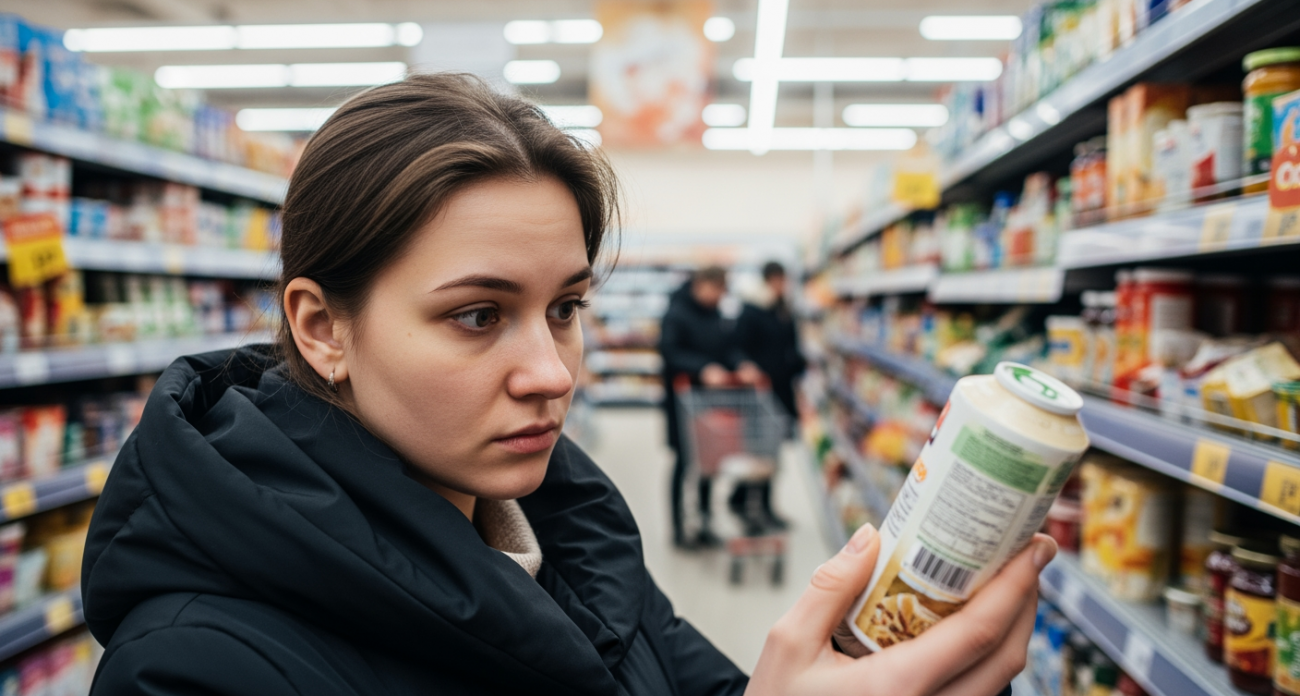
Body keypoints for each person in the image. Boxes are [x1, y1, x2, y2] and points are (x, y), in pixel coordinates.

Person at [82, 72, 1049, 696]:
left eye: (564, 308)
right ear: (323, 327)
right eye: (476, 315)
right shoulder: (194, 669)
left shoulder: (572, 543)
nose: (552, 374)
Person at [658, 266, 761, 549]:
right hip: (683, 402)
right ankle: (679, 530)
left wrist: (740, 363)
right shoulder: (676, 313)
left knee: (709, 459)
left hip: (711, 403)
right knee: (683, 463)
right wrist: (702, 368)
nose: (719, 297)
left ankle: (704, 523)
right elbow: (669, 352)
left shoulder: (716, 313)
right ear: (701, 284)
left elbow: (727, 348)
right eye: (716, 290)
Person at [732, 261, 807, 531]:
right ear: (767, 280)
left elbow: (792, 345)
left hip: (782, 391)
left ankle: (763, 506)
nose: (781, 285)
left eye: (783, 280)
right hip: (759, 395)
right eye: (777, 280)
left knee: (773, 453)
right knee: (759, 452)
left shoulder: (783, 308)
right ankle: (752, 506)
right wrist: (745, 365)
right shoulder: (752, 309)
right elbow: (736, 347)